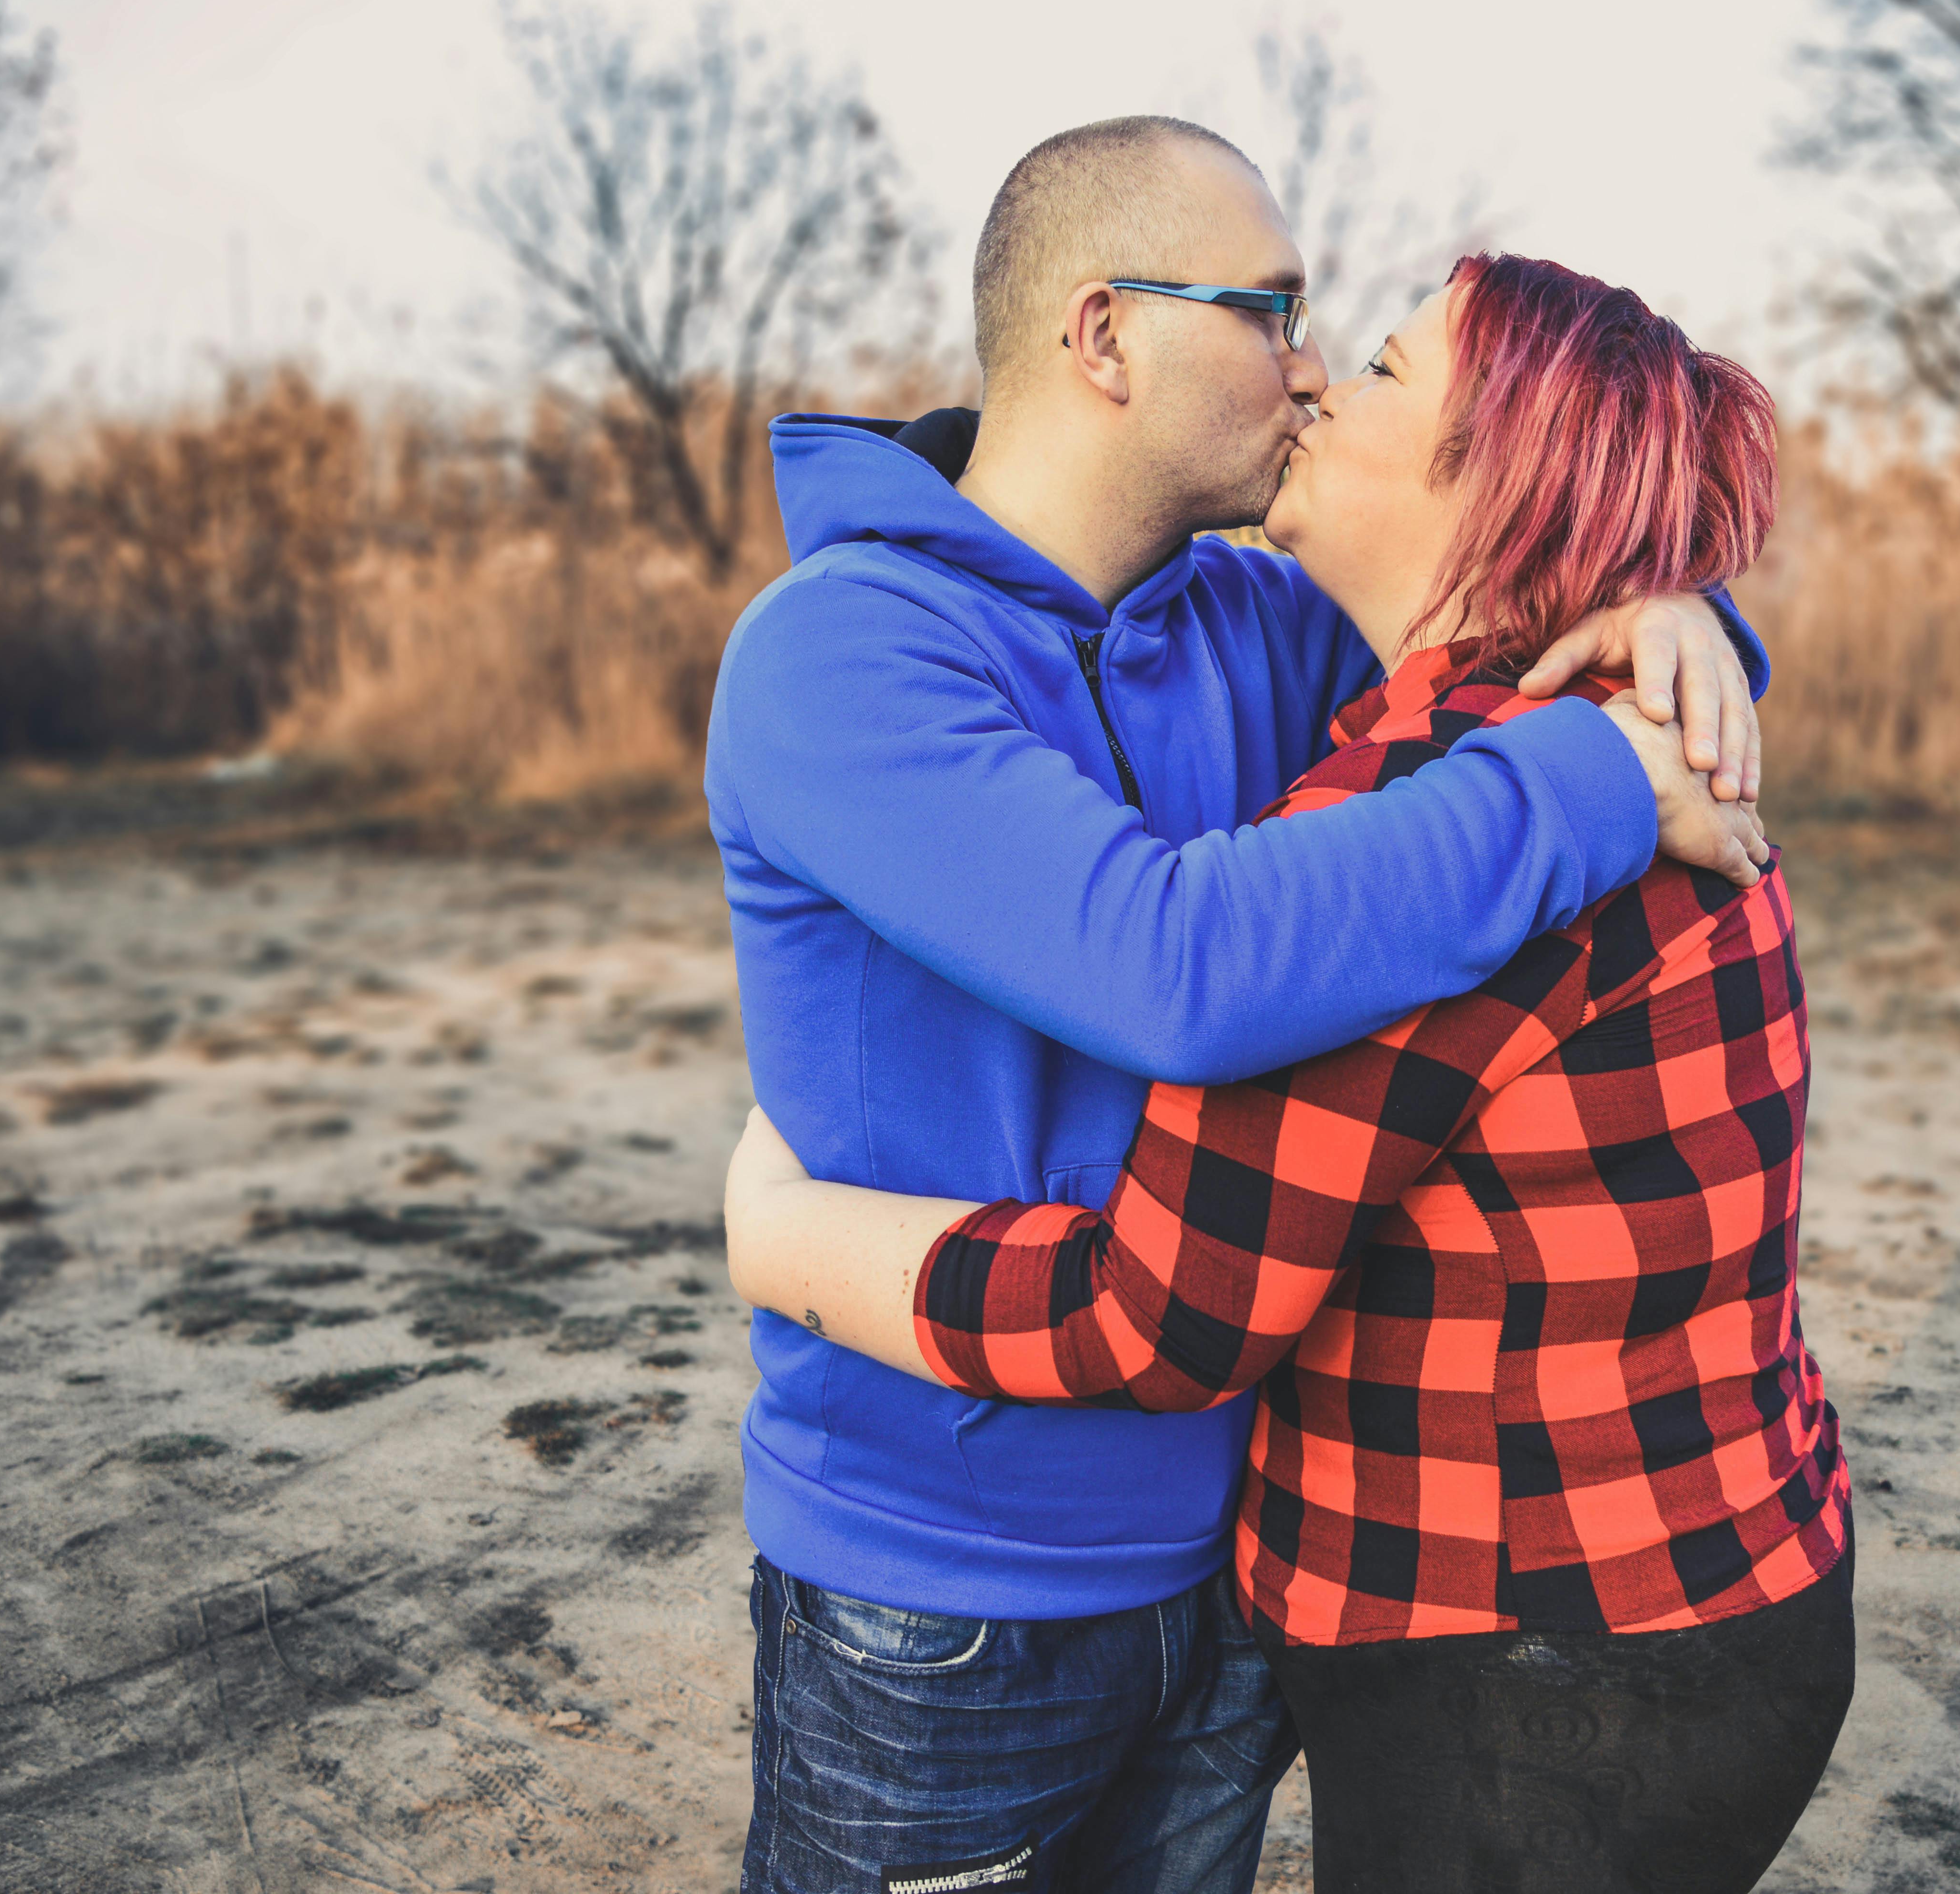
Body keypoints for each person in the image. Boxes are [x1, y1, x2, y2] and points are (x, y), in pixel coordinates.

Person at [707, 117, 1776, 1894]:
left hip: (1238, 1577)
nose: (1306, 366)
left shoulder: (1258, 631)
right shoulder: (838, 655)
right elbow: (1169, 966)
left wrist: (1683, 620)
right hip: (947, 1593)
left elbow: (1506, 607)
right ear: (1106, 335)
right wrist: (1597, 779)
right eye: (1271, 310)